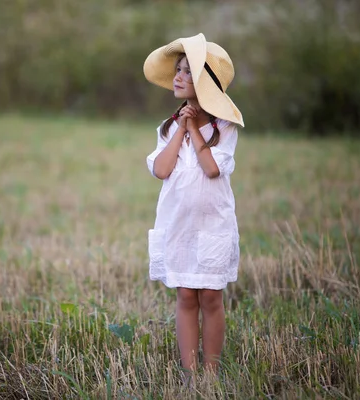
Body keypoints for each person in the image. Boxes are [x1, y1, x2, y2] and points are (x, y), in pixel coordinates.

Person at [143, 33, 244, 378]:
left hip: (212, 225)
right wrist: (181, 126)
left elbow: (212, 168)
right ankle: (190, 373)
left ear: (203, 84)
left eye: (187, 72)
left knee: (210, 298)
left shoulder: (224, 127)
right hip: (180, 226)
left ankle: (211, 372)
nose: (178, 77)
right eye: (177, 70)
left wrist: (196, 131)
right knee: (186, 295)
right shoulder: (169, 127)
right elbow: (161, 169)